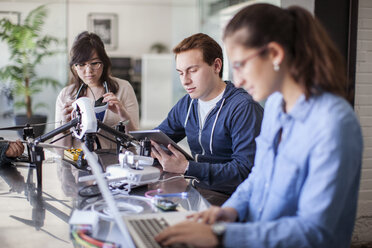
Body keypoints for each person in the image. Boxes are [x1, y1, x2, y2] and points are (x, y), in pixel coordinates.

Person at [155, 4, 363, 248]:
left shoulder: (333, 124)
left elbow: (316, 232)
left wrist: (222, 236)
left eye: (242, 64)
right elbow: (258, 176)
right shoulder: (276, 105)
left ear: (274, 54)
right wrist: (229, 211)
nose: (239, 79)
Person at [151, 33, 263, 196]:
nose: (185, 81)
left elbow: (244, 170)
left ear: (216, 66)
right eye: (181, 73)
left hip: (233, 197)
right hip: (198, 190)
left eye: (192, 70)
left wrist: (186, 167)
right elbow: (157, 137)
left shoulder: (243, 107)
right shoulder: (187, 104)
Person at [54, 31, 139, 149]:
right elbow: (59, 150)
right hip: (78, 164)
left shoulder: (124, 88)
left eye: (94, 63)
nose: (88, 71)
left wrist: (124, 115)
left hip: (114, 164)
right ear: (74, 66)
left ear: (103, 63)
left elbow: (135, 141)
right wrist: (64, 127)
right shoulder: (66, 95)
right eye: (81, 64)